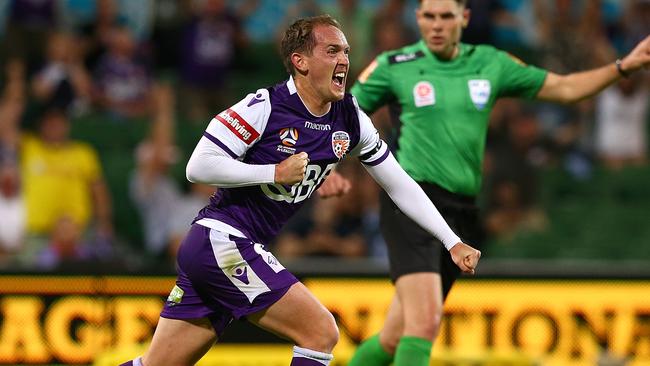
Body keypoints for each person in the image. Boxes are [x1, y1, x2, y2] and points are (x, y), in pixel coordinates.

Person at [119, 15, 481, 366]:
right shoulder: (264, 106)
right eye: (332, 51)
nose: (344, 61)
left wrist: (451, 241)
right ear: (300, 61)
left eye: (346, 52)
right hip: (222, 241)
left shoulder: (349, 117)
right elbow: (198, 166)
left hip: (223, 250)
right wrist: (273, 171)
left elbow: (399, 184)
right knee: (321, 332)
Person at [335, 1, 650, 366]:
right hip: (411, 202)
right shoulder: (394, 66)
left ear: (464, 18)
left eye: (446, 16)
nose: (437, 25)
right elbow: (344, 116)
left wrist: (623, 66)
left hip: (461, 211)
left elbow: (564, 89)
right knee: (424, 324)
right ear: (418, 18)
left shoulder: (490, 63)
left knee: (393, 339)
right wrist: (332, 167)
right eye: (429, 16)